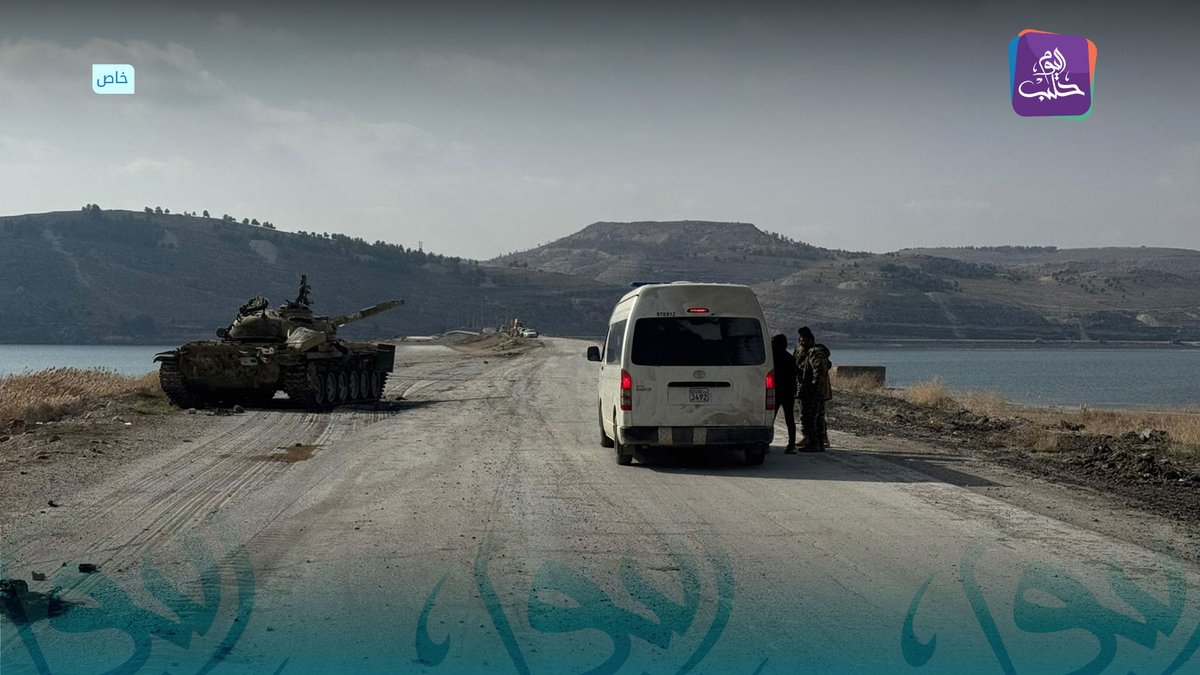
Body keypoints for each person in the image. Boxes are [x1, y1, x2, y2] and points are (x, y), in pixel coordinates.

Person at [794, 326, 832, 451]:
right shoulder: (802, 351)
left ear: (811, 339)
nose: (802, 342)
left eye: (804, 339)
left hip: (814, 392)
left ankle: (815, 443)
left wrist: (815, 389)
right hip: (807, 390)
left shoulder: (816, 352)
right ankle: (814, 442)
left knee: (813, 418)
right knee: (808, 417)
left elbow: (819, 372)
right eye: (801, 339)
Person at [771, 334, 798, 453]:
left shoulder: (772, 358)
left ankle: (766, 443)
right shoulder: (790, 358)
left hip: (776, 392)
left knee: (770, 418)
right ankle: (791, 444)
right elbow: (794, 377)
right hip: (788, 392)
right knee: (789, 419)